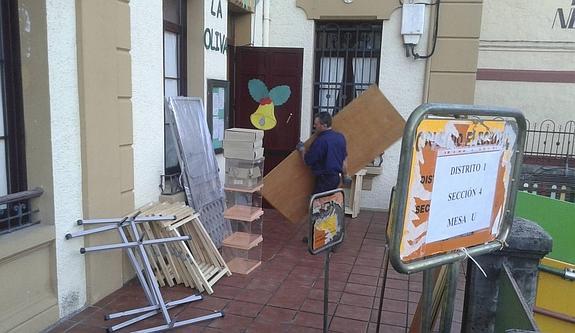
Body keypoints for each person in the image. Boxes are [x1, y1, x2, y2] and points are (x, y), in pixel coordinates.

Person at [297, 111, 351, 193]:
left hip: (324, 180)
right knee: (329, 202)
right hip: (336, 179)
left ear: (324, 125)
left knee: (318, 203)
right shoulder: (340, 137)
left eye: (316, 124)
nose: (314, 126)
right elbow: (344, 160)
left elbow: (308, 161)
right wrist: (345, 175)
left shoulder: (320, 141)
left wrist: (302, 150)